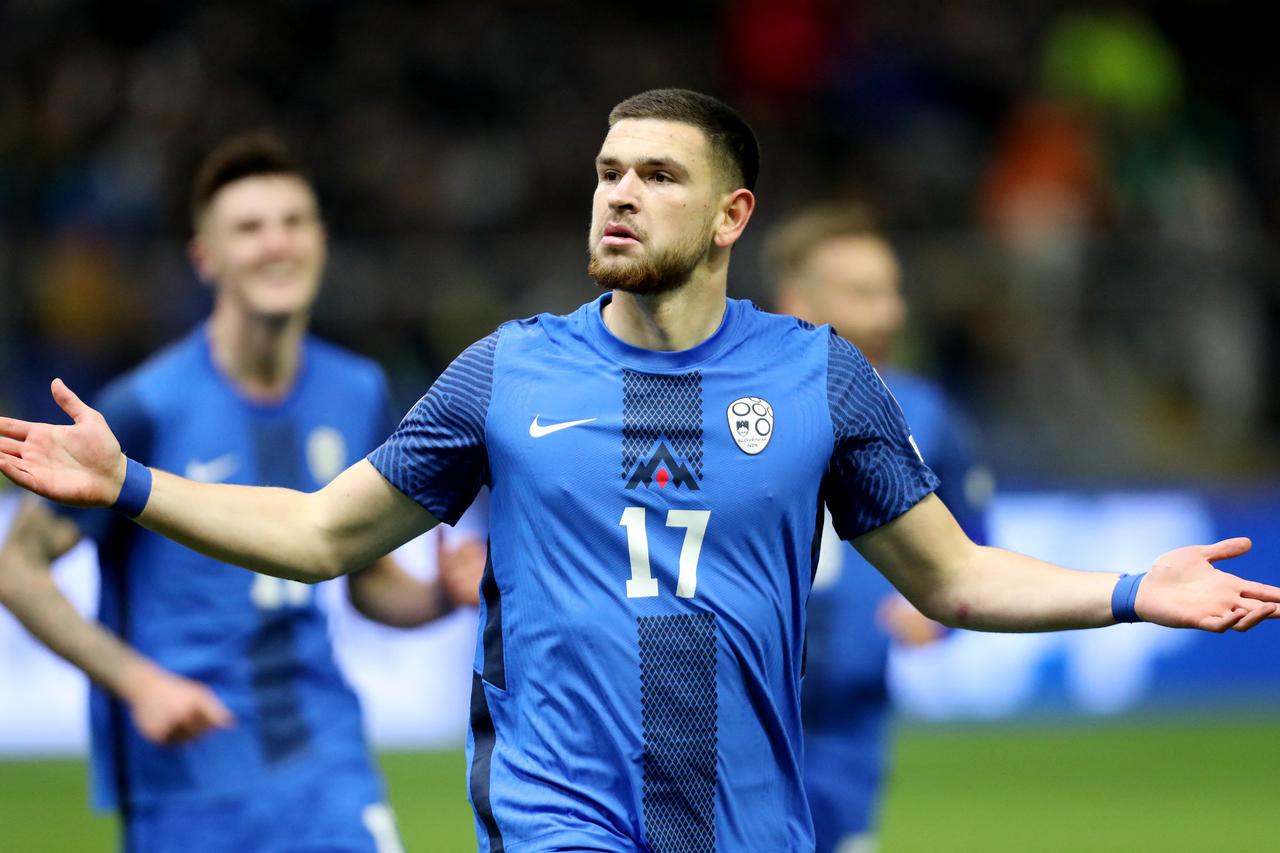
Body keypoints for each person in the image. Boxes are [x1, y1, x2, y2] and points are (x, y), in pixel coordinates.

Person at [2, 89, 1278, 853]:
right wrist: (132, 485)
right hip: (555, 810)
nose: (618, 193)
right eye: (608, 171)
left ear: (731, 216)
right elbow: (322, 534)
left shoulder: (820, 377)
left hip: (747, 818)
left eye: (658, 175)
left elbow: (950, 578)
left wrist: (1129, 589)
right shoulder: (504, 372)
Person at [0, 132, 484, 853]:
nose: (276, 243)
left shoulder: (358, 390)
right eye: (250, 228)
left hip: (328, 768)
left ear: (321, 242)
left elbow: (366, 578)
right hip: (188, 780)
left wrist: (438, 596)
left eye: (293, 222)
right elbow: (16, 568)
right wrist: (139, 684)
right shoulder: (146, 406)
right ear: (206, 257)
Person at [767, 203, 990, 853]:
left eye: (892, 292)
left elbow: (972, 530)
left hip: (849, 720)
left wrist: (936, 611)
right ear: (797, 301)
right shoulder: (731, 402)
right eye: (863, 294)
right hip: (736, 706)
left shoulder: (924, 410)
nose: (890, 313)